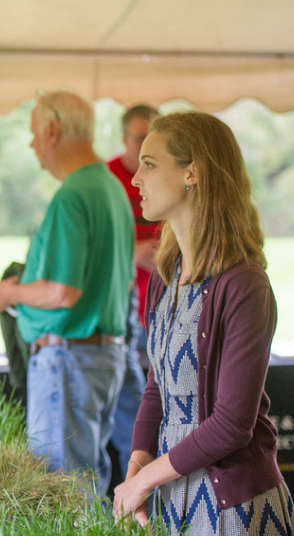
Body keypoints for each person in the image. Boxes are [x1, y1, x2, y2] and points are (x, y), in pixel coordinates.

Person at [112, 111, 294, 536]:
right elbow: (158, 386)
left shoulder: (244, 285)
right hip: (174, 499)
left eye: (150, 164)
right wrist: (137, 467)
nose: (136, 177)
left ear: (192, 172)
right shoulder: (165, 273)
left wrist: (146, 480)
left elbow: (231, 426)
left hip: (234, 512)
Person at [0, 90, 134, 495]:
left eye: (33, 133)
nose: (32, 145)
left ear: (51, 130)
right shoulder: (111, 187)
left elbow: (62, 292)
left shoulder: (73, 195)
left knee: (62, 493)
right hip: (102, 354)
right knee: (86, 485)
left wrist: (8, 295)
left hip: (68, 357)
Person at [106, 104, 161, 482]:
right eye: (141, 138)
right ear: (125, 138)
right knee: (134, 408)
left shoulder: (170, 175)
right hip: (123, 310)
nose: (146, 147)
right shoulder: (106, 180)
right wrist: (132, 254)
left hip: (161, 304)